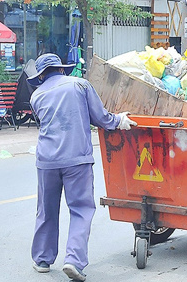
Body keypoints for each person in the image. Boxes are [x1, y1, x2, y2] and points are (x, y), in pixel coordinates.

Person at [28, 53, 136, 281]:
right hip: (77, 159)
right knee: (81, 209)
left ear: (41, 76)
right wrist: (119, 120)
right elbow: (101, 118)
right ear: (61, 69)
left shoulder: (37, 95)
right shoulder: (80, 85)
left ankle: (42, 260)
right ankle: (73, 261)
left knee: (46, 210)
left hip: (46, 161)